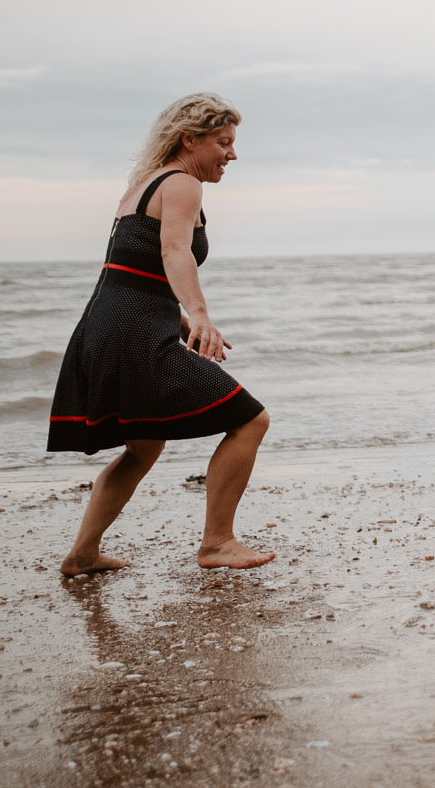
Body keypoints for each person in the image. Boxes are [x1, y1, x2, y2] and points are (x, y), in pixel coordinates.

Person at [47, 93, 275, 575]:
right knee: (250, 421)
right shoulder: (183, 184)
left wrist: (182, 322)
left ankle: (83, 554)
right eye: (223, 142)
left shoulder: (142, 184)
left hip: (107, 323)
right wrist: (200, 311)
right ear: (190, 138)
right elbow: (174, 252)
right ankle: (217, 543)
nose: (231, 154)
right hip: (131, 329)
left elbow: (131, 271)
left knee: (144, 445)